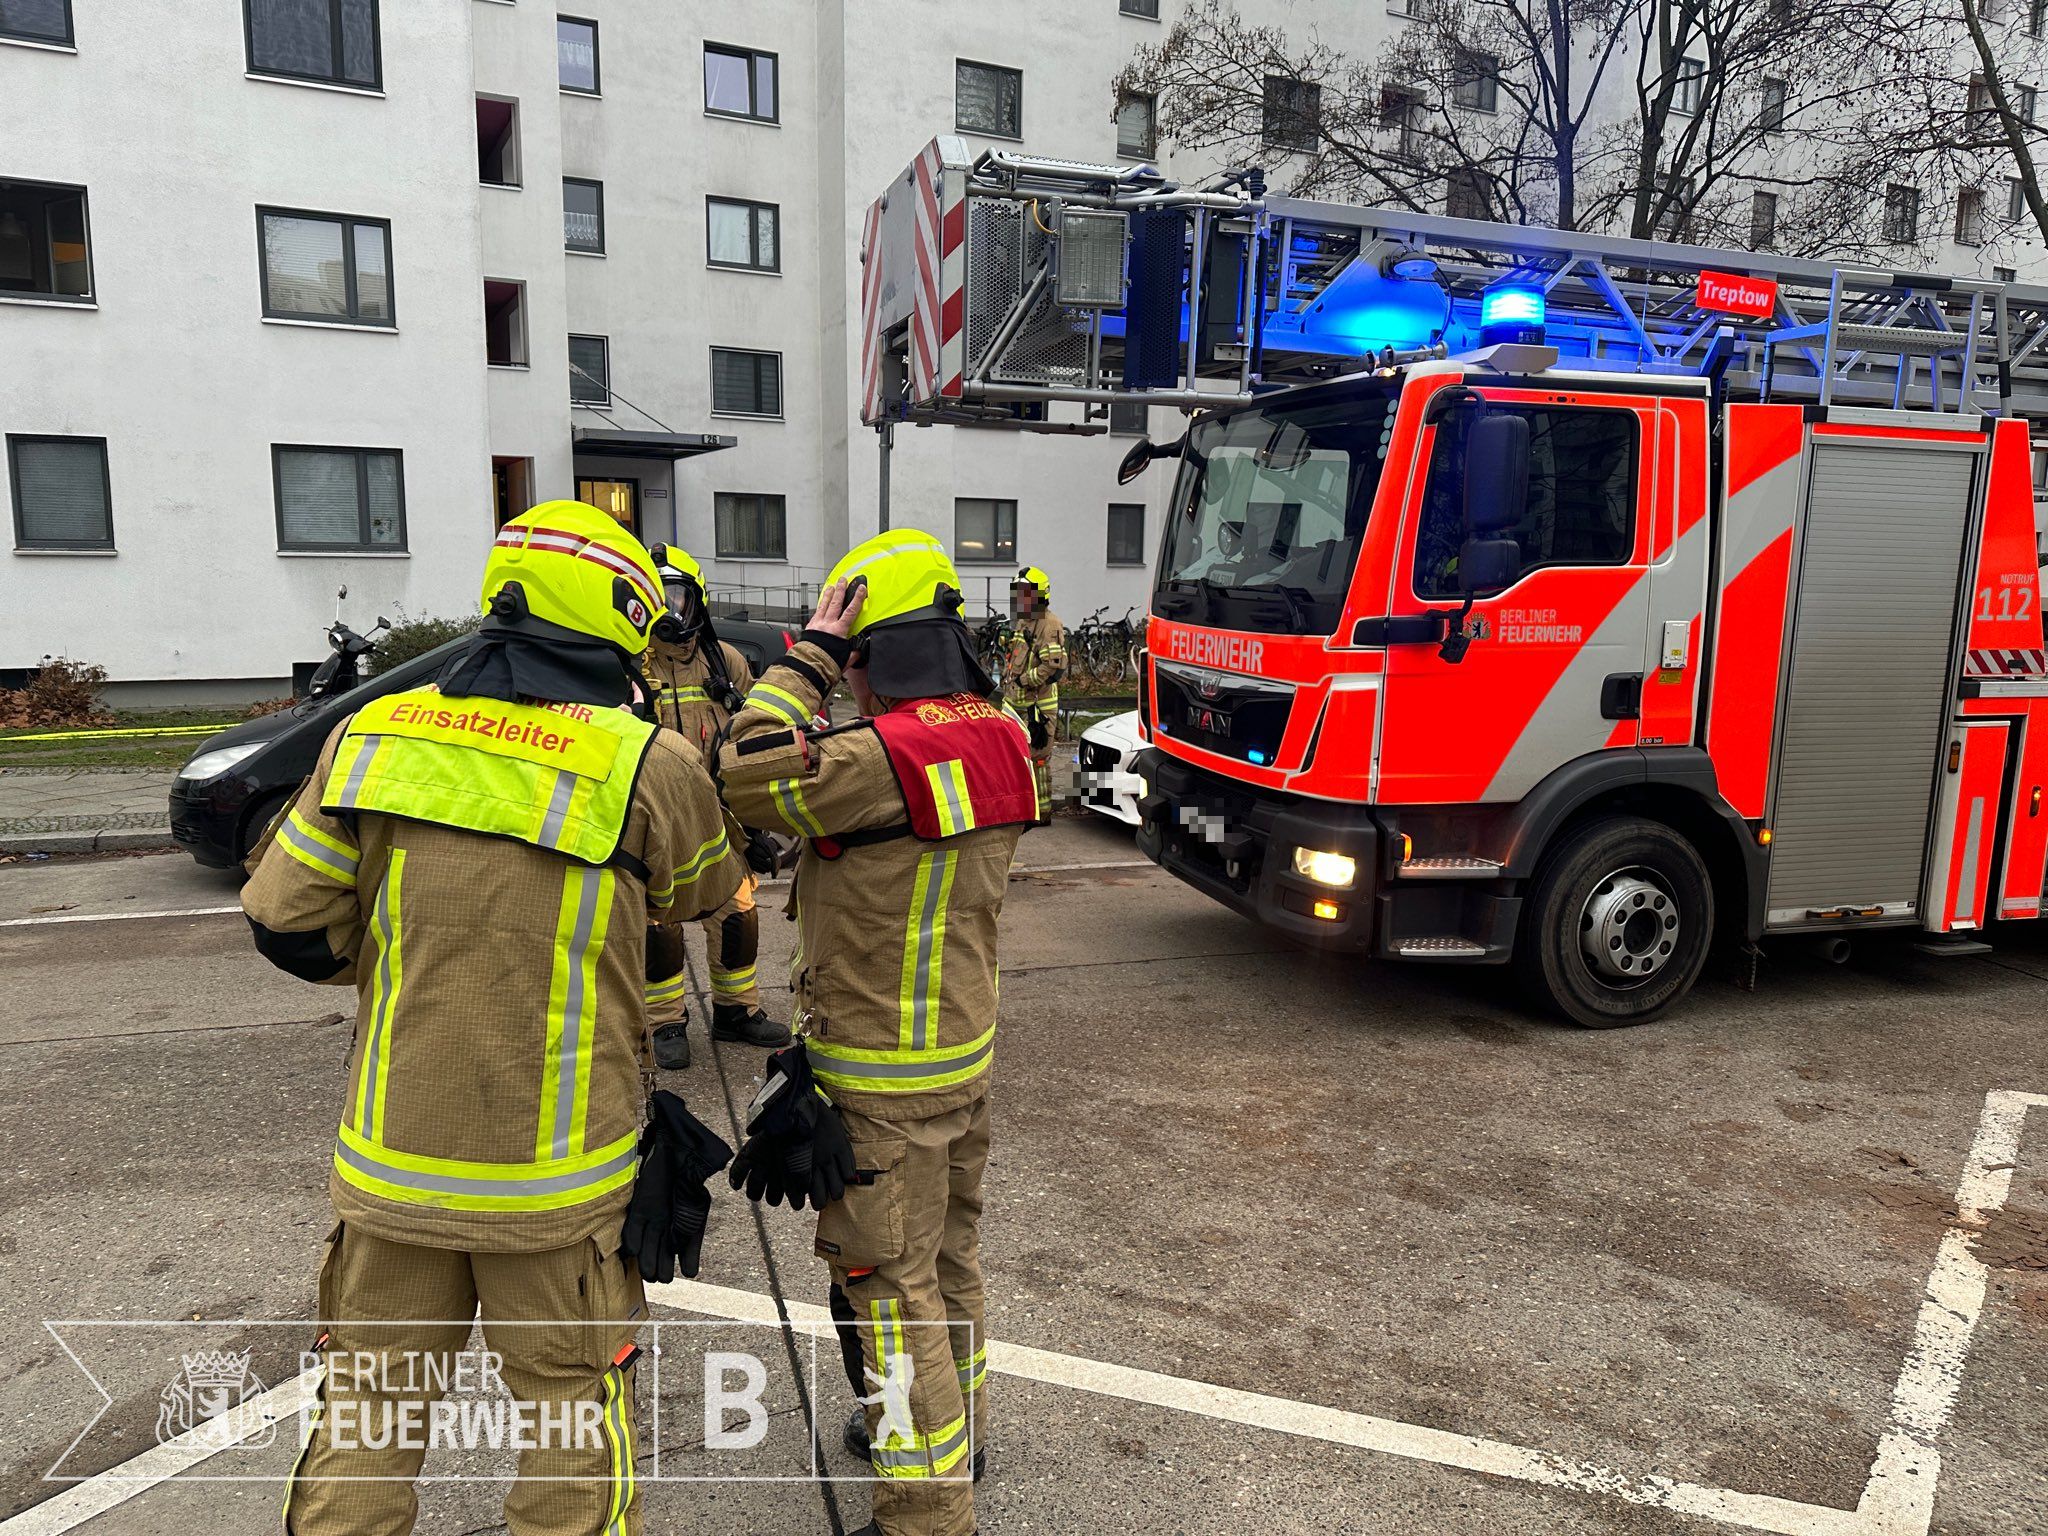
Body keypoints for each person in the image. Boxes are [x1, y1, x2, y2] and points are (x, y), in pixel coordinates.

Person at [243, 501, 747, 1536]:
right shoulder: (644, 761)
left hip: (391, 1175)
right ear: (622, 618)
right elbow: (703, 894)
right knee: (566, 1418)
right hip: (555, 1190)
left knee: (369, 1413)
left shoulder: (373, 735)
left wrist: (404, 966)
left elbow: (281, 920)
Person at [717, 529, 1036, 1536]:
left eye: (850, 656)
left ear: (870, 653)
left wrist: (801, 655)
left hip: (877, 1079)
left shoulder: (870, 758)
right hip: (960, 1058)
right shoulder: (1001, 735)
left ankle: (926, 1511)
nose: (844, 673)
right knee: (949, 1260)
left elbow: (742, 766)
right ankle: (960, 1432)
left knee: (886, 1292)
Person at [639, 544, 789, 1068]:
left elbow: (752, 744)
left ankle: (734, 1013)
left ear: (696, 600)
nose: (668, 612)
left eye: (676, 598)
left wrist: (761, 823)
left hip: (718, 818)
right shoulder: (631, 667)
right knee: (657, 925)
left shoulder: (726, 663)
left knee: (738, 915)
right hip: (653, 820)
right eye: (657, 599)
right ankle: (664, 1024)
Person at [1004, 565, 1064, 826]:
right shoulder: (1024, 621)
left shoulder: (1050, 625)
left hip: (1037, 707)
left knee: (1037, 758)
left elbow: (1052, 667)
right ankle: (1022, 807)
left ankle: (1041, 813)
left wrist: (1024, 680)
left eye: (1025, 593)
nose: (1020, 599)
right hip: (1016, 703)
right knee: (1015, 758)